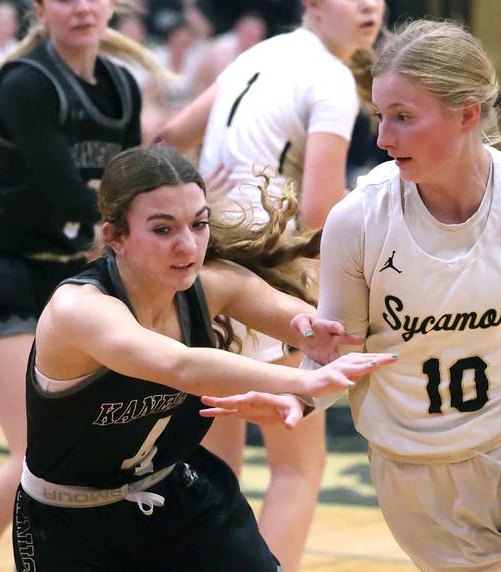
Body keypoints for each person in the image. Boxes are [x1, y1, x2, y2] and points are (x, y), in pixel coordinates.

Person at [202, 19, 501, 572]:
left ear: (467, 115)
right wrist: (297, 394)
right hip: (418, 475)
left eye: (405, 118)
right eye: (380, 117)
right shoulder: (359, 220)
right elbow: (339, 361)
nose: (384, 139)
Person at [11, 143, 396, 571]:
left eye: (199, 224)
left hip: (179, 494)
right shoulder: (77, 310)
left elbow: (302, 323)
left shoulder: (214, 284)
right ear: (114, 236)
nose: (188, 245)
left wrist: (314, 331)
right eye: (163, 230)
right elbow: (180, 367)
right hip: (69, 522)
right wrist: (300, 382)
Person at [0, 1, 166, 570]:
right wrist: (158, 222)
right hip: (4, 273)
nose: (82, 6)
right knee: (33, 452)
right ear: (39, 7)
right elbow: (72, 197)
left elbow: (129, 185)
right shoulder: (26, 82)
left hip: (73, 281)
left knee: (93, 456)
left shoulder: (122, 86)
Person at [157, 1, 385, 569]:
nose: (368, 6)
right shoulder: (330, 75)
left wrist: (200, 207)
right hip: (270, 278)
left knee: (214, 473)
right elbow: (320, 207)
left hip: (206, 273)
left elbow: (164, 141)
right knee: (297, 467)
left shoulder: (253, 55)